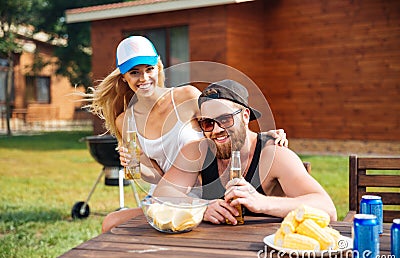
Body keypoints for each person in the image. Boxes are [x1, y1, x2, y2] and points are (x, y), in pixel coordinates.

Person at [85, 36, 288, 232]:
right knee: (111, 222)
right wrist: (136, 164)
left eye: (149, 69)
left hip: (205, 193)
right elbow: (156, 176)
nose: (144, 78)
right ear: (124, 77)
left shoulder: (186, 96)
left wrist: (258, 136)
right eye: (134, 72)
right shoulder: (125, 120)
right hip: (169, 195)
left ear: (159, 68)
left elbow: (220, 123)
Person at [154, 79, 337, 225]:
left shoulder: (273, 155)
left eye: (225, 119)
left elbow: (327, 208)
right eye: (208, 123)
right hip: (211, 250)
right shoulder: (198, 151)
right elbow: (160, 196)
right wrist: (201, 207)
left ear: (245, 116)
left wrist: (262, 202)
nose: (216, 130)